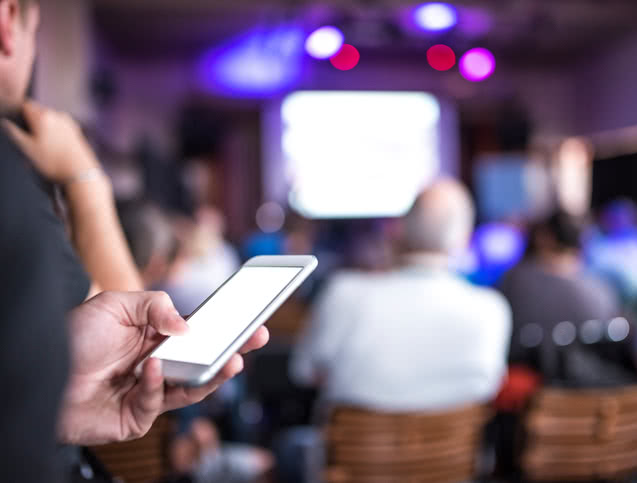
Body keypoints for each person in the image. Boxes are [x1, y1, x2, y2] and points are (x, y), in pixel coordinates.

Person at [0, 1, 268, 480]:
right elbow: (118, 308)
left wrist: (53, 409)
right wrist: (84, 174)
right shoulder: (14, 197)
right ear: (8, 22)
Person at [291, 179, 511, 411]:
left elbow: (304, 372)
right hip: (451, 447)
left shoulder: (344, 293)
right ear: (464, 238)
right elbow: (490, 387)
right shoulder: (491, 309)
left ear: (398, 229)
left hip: (360, 445)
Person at [499, 211, 631, 387]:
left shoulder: (514, 283)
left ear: (544, 237)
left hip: (537, 407)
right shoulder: (602, 291)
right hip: (603, 404)